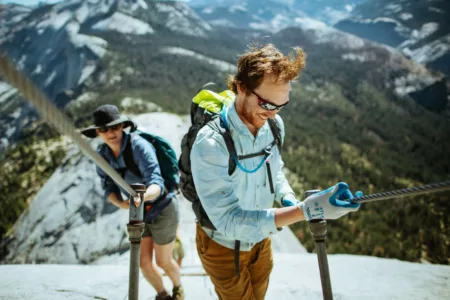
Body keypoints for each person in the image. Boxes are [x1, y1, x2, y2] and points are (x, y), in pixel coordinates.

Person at [190, 44, 361, 300]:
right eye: (266, 104)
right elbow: (227, 221)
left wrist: (290, 200)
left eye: (281, 106)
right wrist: (303, 211)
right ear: (241, 88)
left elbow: (274, 171)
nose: (272, 114)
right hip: (222, 246)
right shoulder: (210, 143)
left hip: (262, 240)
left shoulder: (274, 125)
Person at [81, 104, 184, 300]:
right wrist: (121, 203)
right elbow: (108, 187)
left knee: (163, 261)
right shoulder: (102, 156)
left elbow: (157, 183)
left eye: (114, 127)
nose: (110, 133)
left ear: (122, 126)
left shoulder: (139, 146)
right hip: (139, 211)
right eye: (104, 129)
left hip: (163, 208)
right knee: (143, 263)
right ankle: (163, 295)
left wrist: (140, 197)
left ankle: (178, 288)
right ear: (97, 132)